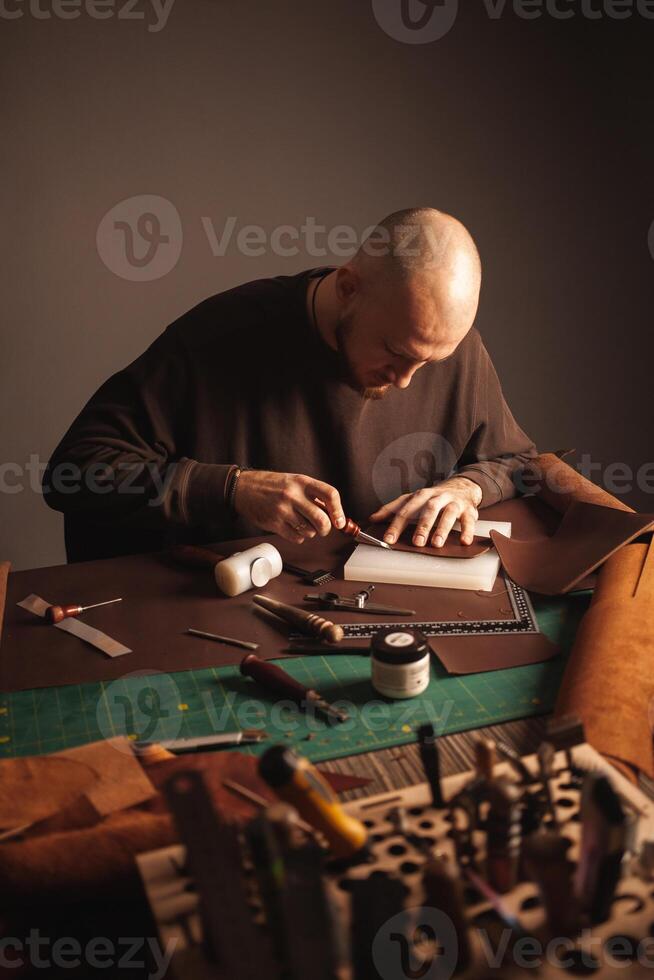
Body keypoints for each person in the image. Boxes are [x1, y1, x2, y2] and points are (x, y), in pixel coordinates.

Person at [43, 207, 536, 561]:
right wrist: (231, 488)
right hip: (218, 606)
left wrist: (466, 488)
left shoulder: (441, 343)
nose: (408, 380)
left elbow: (519, 462)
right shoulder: (217, 338)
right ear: (348, 289)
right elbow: (75, 472)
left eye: (432, 361)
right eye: (395, 352)